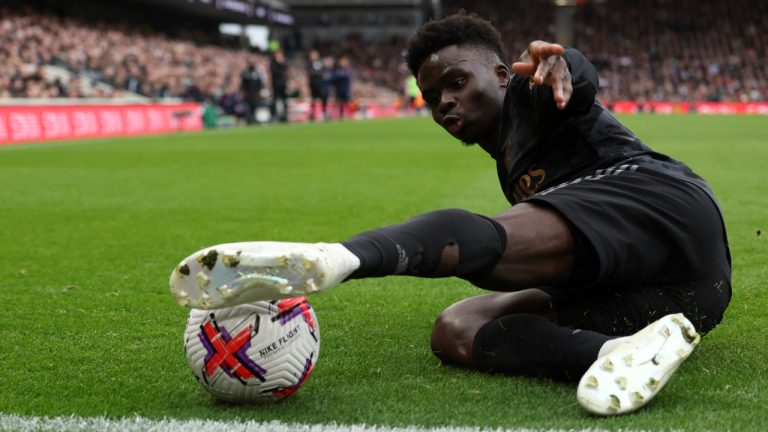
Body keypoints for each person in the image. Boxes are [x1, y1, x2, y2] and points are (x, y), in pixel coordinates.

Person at [169, 13, 730, 416]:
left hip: (664, 206)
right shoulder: (510, 163)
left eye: (457, 82)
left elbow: (575, 81)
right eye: (432, 96)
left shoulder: (535, 98)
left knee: (484, 238)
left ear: (504, 75)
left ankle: (334, 259)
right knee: (457, 329)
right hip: (683, 299)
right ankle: (621, 352)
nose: (445, 103)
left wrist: (565, 66)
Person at [307, 49, 328, 121]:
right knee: (313, 99)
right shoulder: (309, 64)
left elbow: (322, 72)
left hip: (320, 83)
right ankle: (312, 114)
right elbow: (310, 73)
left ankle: (324, 113)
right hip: (313, 83)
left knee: (323, 98)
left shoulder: (320, 63)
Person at [270, 50, 289, 123]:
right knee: (275, 100)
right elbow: (276, 72)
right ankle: (275, 116)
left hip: (283, 85)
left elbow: (286, 70)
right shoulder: (273, 63)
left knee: (284, 100)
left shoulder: (283, 62)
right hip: (276, 85)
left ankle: (285, 115)